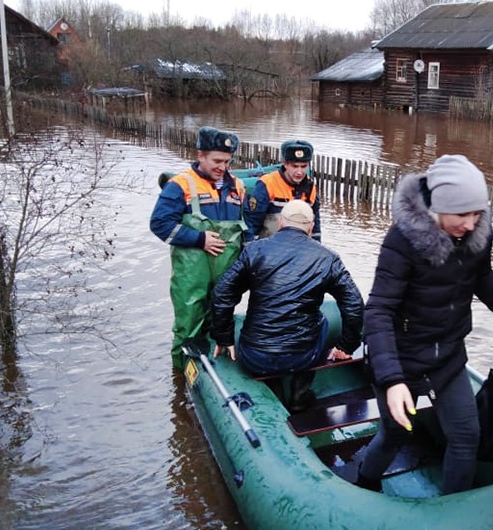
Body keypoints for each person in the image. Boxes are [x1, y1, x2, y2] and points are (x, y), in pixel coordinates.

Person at [356, 154, 493, 495]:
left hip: (448, 357)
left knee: (467, 436)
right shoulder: (402, 240)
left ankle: (454, 507)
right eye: (462, 214)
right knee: (396, 432)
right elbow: (379, 310)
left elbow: (482, 276)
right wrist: (393, 380)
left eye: (477, 214)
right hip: (403, 357)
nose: (470, 224)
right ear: (438, 208)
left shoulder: (476, 234)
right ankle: (365, 481)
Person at [209, 199, 363, 408]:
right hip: (302, 356)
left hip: (254, 355)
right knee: (322, 322)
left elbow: (222, 294)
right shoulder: (328, 258)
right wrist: (347, 345)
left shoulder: (254, 250)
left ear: (281, 222)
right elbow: (354, 304)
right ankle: (300, 392)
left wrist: (224, 337)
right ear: (311, 227)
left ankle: (274, 390)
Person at [150, 126, 247, 371]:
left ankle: (218, 371)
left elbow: (245, 227)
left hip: (226, 272)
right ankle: (181, 376)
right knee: (188, 325)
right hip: (191, 274)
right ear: (200, 155)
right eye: (217, 161)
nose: (223, 167)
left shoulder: (237, 187)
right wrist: (199, 239)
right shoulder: (180, 185)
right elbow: (159, 224)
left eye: (227, 161)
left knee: (221, 320)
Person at [244, 139, 321, 241]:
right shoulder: (267, 184)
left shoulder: (311, 187)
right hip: (271, 246)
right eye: (295, 166)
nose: (299, 172)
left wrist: (317, 245)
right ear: (285, 164)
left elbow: (315, 225)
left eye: (303, 167)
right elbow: (253, 223)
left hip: (300, 246)